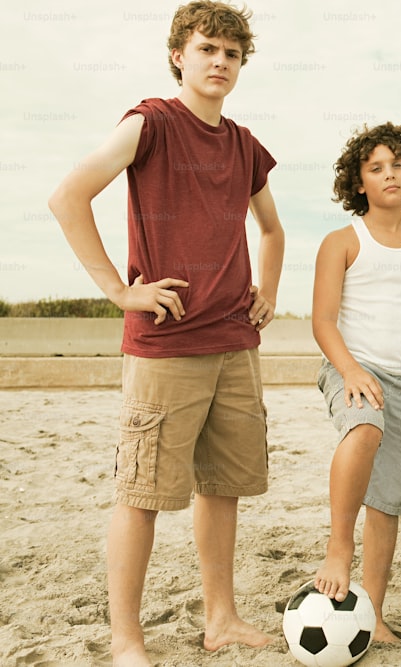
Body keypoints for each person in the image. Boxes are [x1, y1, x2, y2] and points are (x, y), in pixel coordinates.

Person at [47, 2, 285, 664]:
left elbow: (272, 228)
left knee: (223, 486)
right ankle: (127, 638)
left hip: (234, 343)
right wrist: (120, 291)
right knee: (141, 494)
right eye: (207, 48)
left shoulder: (242, 143)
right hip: (165, 344)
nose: (220, 62)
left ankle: (221, 618)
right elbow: (68, 196)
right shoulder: (150, 122)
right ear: (179, 53)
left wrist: (267, 289)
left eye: (232, 54)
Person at [311, 122, 401, 643]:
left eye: (397, 165)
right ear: (359, 183)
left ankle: (374, 613)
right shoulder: (341, 242)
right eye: (375, 168)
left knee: (388, 501)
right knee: (363, 427)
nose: (389, 174)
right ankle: (338, 546)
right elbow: (323, 320)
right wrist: (350, 370)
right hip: (351, 366)